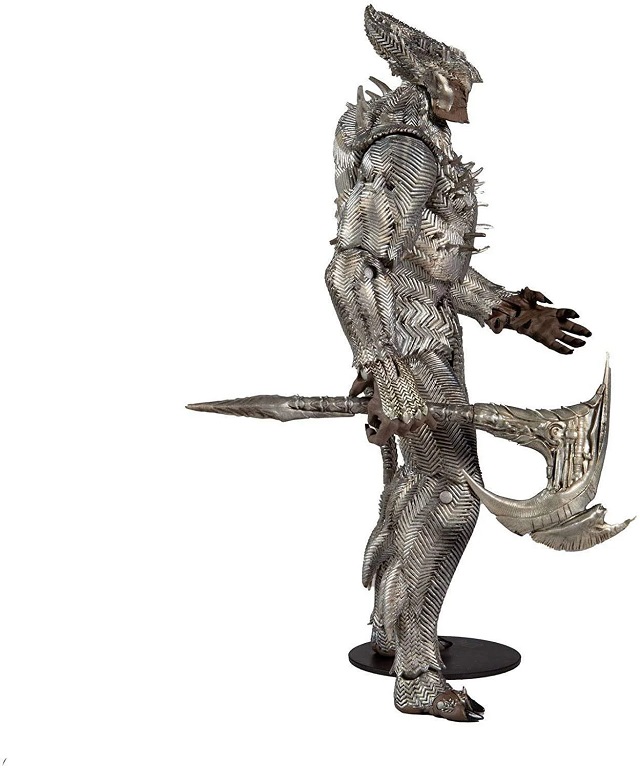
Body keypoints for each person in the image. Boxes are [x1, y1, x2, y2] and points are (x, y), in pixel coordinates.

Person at [325, 5, 591, 720]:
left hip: (430, 337)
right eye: (456, 77)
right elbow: (349, 270)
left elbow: (433, 268)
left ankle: (391, 632)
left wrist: (510, 310)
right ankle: (416, 675)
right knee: (451, 497)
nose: (467, 89)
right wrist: (382, 371)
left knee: (424, 487)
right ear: (427, 77)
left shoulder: (428, 147)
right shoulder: (403, 152)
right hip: (409, 348)